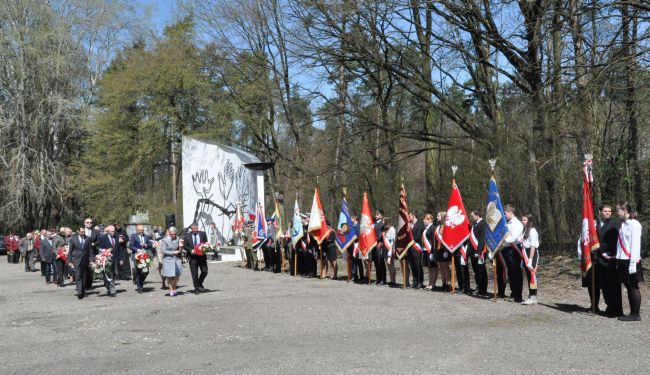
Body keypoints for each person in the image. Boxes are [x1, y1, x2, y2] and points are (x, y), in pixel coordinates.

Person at [615, 202, 643, 321]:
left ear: (625, 210)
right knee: (628, 285)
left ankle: (635, 314)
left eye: (618, 210)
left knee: (633, 286)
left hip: (631, 260)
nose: (617, 213)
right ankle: (632, 312)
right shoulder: (623, 224)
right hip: (622, 259)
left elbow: (635, 245)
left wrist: (633, 264)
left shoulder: (634, 224)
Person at [595, 204, 622, 317]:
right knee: (604, 285)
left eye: (610, 211)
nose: (607, 213)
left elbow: (612, 240)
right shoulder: (595, 224)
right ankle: (609, 307)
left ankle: (615, 309)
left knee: (612, 286)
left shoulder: (614, 224)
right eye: (605, 211)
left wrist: (598, 249)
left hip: (609, 258)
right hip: (598, 260)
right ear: (600, 212)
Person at [502, 204, 524, 302]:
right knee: (510, 272)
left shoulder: (517, 224)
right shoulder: (507, 223)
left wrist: (502, 240)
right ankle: (513, 292)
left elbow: (513, 238)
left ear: (510, 212)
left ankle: (518, 295)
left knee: (516, 272)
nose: (504, 215)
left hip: (515, 249)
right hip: (507, 249)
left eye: (505, 213)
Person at [183, 223, 209, 293]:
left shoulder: (203, 234)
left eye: (196, 229)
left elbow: (206, 244)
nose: (194, 231)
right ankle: (196, 288)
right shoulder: (187, 235)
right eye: (193, 230)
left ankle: (199, 283)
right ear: (191, 229)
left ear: (198, 228)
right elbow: (185, 246)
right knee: (194, 273)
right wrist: (190, 250)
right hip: (192, 257)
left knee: (205, 271)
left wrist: (205, 248)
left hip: (202, 256)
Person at [520, 215, 540, 305]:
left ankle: (533, 296)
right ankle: (531, 295)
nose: (522, 221)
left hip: (532, 254)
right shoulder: (524, 231)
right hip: (525, 254)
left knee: (532, 275)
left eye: (524, 220)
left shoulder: (532, 231)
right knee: (528, 276)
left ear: (529, 221)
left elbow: (532, 246)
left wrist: (531, 260)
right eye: (522, 220)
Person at [468, 211, 488, 297]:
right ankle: (479, 287)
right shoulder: (475, 225)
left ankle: (483, 290)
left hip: (480, 252)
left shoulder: (483, 224)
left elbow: (482, 239)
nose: (471, 218)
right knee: (476, 271)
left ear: (477, 215)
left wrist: (479, 251)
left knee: (481, 271)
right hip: (473, 253)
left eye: (472, 216)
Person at [68, 225, 91, 299]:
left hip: (85, 260)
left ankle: (83, 290)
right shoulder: (73, 239)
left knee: (84, 276)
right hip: (77, 260)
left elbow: (90, 250)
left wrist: (92, 260)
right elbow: (70, 251)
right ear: (78, 231)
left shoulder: (88, 239)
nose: (82, 233)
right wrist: (70, 261)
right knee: (78, 276)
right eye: (81, 232)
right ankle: (79, 292)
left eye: (83, 231)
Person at [97, 225, 119, 297]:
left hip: (115, 258)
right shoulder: (103, 237)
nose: (113, 232)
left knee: (115, 273)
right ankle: (112, 290)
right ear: (108, 231)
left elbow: (118, 248)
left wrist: (121, 258)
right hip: (107, 259)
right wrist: (105, 251)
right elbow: (99, 247)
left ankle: (110, 287)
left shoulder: (116, 237)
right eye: (112, 231)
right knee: (109, 274)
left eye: (114, 231)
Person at [130, 225, 152, 294]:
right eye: (140, 230)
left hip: (145, 256)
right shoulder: (133, 236)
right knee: (139, 271)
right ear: (137, 230)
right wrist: (138, 250)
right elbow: (130, 246)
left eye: (142, 230)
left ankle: (139, 281)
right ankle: (140, 287)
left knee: (146, 271)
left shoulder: (146, 236)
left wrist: (146, 245)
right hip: (137, 256)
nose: (142, 231)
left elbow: (150, 245)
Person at [161, 227, 182, 297]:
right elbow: (163, 251)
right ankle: (171, 290)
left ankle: (174, 287)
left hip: (177, 259)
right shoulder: (165, 240)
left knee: (177, 275)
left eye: (174, 234)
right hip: (168, 259)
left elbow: (180, 248)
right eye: (172, 234)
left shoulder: (178, 238)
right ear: (169, 233)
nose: (173, 235)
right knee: (169, 276)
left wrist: (181, 247)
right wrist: (173, 252)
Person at [434, 211, 451, 291]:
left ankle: (448, 283)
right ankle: (443, 283)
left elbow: (448, 239)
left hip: (445, 249)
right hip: (439, 249)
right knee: (441, 267)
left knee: (446, 267)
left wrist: (446, 250)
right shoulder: (438, 227)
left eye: (438, 216)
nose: (437, 217)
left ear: (443, 217)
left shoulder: (446, 226)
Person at [408, 211, 425, 289]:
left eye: (410, 215)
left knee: (418, 265)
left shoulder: (420, 224)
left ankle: (420, 282)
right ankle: (415, 281)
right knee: (412, 265)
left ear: (414, 216)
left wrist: (411, 229)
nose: (408, 217)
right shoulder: (409, 224)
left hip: (416, 247)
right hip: (410, 248)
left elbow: (418, 236)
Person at [83, 218, 100, 291]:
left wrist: (94, 244)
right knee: (83, 269)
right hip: (82, 252)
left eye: (90, 222)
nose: (89, 223)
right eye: (87, 222)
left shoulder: (96, 231)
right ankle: (83, 285)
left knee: (90, 269)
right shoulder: (81, 230)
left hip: (92, 252)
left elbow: (99, 240)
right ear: (84, 223)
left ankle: (89, 285)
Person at [422, 213, 438, 290]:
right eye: (424, 219)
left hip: (431, 250)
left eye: (426, 219)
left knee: (433, 268)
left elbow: (434, 241)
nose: (424, 220)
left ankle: (433, 284)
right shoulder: (426, 228)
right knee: (429, 268)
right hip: (425, 250)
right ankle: (429, 283)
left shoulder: (433, 228)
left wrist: (432, 252)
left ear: (430, 220)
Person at [372, 210, 387, 285]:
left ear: (381, 216)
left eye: (378, 215)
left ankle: (383, 279)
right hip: (373, 245)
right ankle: (378, 279)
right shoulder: (374, 224)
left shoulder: (382, 224)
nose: (376, 216)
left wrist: (378, 240)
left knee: (381, 262)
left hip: (379, 244)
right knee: (376, 263)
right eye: (376, 214)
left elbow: (382, 234)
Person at [382, 218, 397, 285]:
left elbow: (392, 242)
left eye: (384, 221)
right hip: (386, 249)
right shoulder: (386, 229)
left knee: (392, 265)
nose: (383, 223)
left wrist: (390, 253)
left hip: (390, 250)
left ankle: (393, 280)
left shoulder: (392, 229)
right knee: (388, 265)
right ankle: (391, 280)